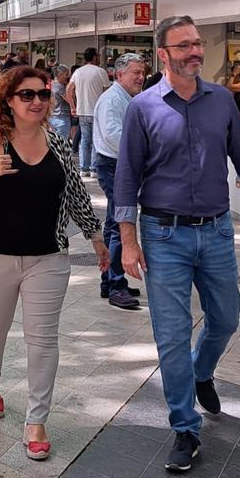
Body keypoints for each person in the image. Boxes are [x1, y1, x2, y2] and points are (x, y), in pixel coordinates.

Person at [114, 15, 240, 473]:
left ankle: (202, 370)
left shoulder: (222, 101)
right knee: (170, 336)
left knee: (226, 318)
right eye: (183, 45)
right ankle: (185, 428)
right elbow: (127, 179)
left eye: (197, 44)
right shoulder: (143, 108)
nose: (194, 52)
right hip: (162, 234)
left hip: (216, 231)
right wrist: (128, 242)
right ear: (163, 55)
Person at [0, 66, 109, 461]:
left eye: (42, 94)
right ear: (8, 100)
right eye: (26, 95)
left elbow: (75, 194)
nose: (37, 101)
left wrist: (97, 237)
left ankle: (37, 420)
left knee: (43, 340)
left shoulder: (57, 142)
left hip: (48, 258)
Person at [92, 53, 147, 310]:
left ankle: (112, 281)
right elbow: (114, 135)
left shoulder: (126, 99)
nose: (141, 76)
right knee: (118, 225)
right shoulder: (112, 100)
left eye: (142, 71)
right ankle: (115, 284)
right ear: (119, 74)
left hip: (119, 166)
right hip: (114, 166)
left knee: (115, 223)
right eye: (135, 72)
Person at [67, 47, 107, 177]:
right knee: (96, 139)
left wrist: (73, 106)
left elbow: (69, 89)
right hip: (97, 111)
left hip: (82, 110)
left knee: (85, 140)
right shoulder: (101, 72)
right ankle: (94, 168)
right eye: (98, 56)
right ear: (95, 57)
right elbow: (107, 92)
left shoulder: (78, 72)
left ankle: (84, 168)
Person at [47, 66, 72, 142]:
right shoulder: (60, 87)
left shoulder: (52, 84)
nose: (68, 76)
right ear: (60, 75)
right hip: (61, 116)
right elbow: (69, 99)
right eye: (66, 74)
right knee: (62, 141)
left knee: (54, 141)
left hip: (52, 115)